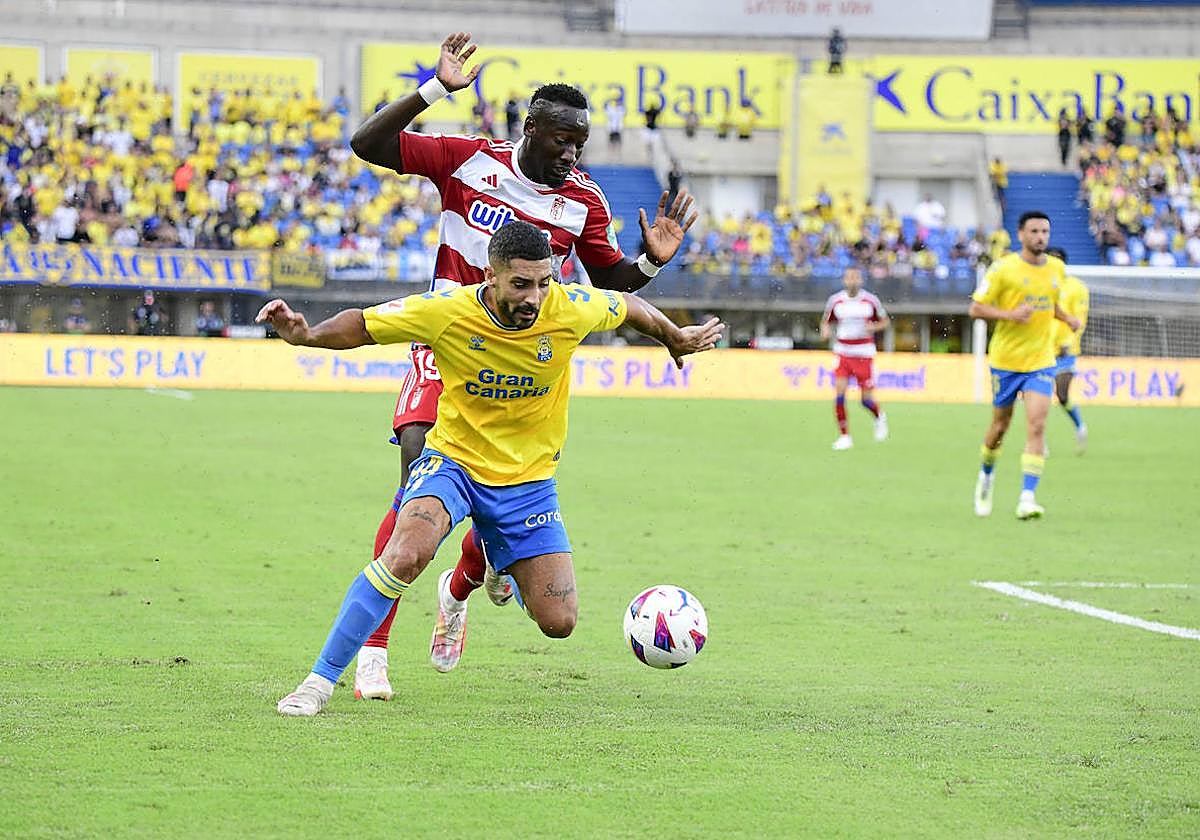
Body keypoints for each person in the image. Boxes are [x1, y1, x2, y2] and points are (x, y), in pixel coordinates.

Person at [346, 31, 698, 698]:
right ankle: (373, 650)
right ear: (530, 129)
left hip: (526, 367)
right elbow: (366, 146)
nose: (572, 153)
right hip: (445, 344)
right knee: (416, 479)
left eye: (580, 144)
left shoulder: (585, 202)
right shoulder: (467, 162)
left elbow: (610, 288)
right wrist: (434, 89)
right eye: (561, 139)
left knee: (498, 497)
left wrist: (650, 261)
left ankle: (458, 591)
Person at [262, 220, 723, 716]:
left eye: (544, 282)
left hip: (528, 482)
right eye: (521, 284)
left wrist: (673, 336)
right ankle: (317, 683)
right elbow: (364, 323)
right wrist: (306, 334)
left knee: (559, 621)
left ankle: (492, 567)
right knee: (406, 554)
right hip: (454, 463)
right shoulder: (448, 311)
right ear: (491, 275)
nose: (534, 297)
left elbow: (626, 304)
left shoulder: (568, 307)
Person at [969, 211, 1080, 520]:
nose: (1040, 237)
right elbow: (975, 308)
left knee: (1037, 424)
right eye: (1034, 231)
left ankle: (1027, 498)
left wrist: (1066, 317)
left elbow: (1049, 302)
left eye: (1045, 231)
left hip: (1041, 361)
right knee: (999, 427)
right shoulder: (1004, 269)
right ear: (1020, 235)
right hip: (1005, 361)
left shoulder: (1057, 269)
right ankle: (986, 476)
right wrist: (1009, 316)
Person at [820, 265, 890, 450]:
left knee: (865, 400)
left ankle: (879, 416)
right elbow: (826, 321)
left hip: (864, 353)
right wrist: (825, 330)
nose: (852, 281)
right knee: (839, 394)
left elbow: (885, 321)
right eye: (849, 277)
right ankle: (845, 437)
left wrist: (873, 328)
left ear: (860, 280)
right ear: (844, 280)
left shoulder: (870, 301)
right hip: (843, 351)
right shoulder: (836, 301)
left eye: (855, 278)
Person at [1046, 247, 1088, 453]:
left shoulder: (1076, 288)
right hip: (1041, 351)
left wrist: (1069, 343)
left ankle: (1080, 426)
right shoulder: (1041, 286)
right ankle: (1039, 442)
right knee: (1038, 397)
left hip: (1065, 352)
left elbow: (1079, 320)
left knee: (1062, 396)